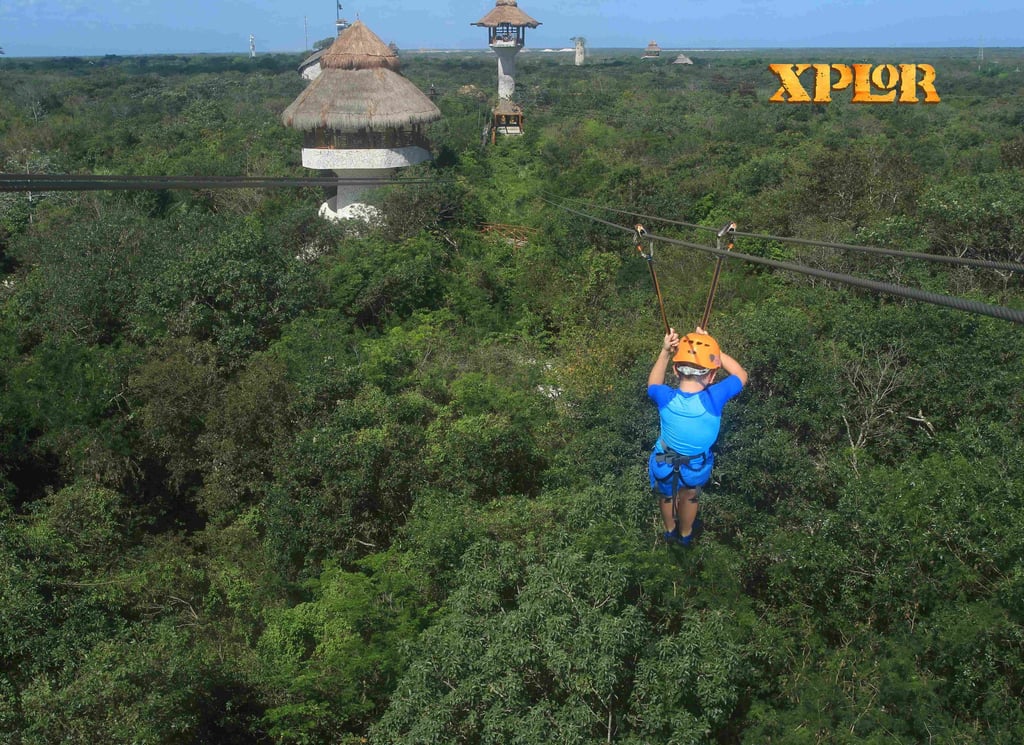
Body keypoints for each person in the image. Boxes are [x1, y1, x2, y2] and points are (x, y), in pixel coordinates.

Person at [647, 326, 748, 546]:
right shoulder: (714, 398)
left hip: (665, 459)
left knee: (666, 495)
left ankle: (670, 530)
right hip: (696, 464)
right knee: (689, 495)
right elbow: (741, 375)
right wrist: (714, 350)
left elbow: (653, 384)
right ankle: (685, 533)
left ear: (676, 371)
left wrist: (665, 351)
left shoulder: (664, 396)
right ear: (712, 375)